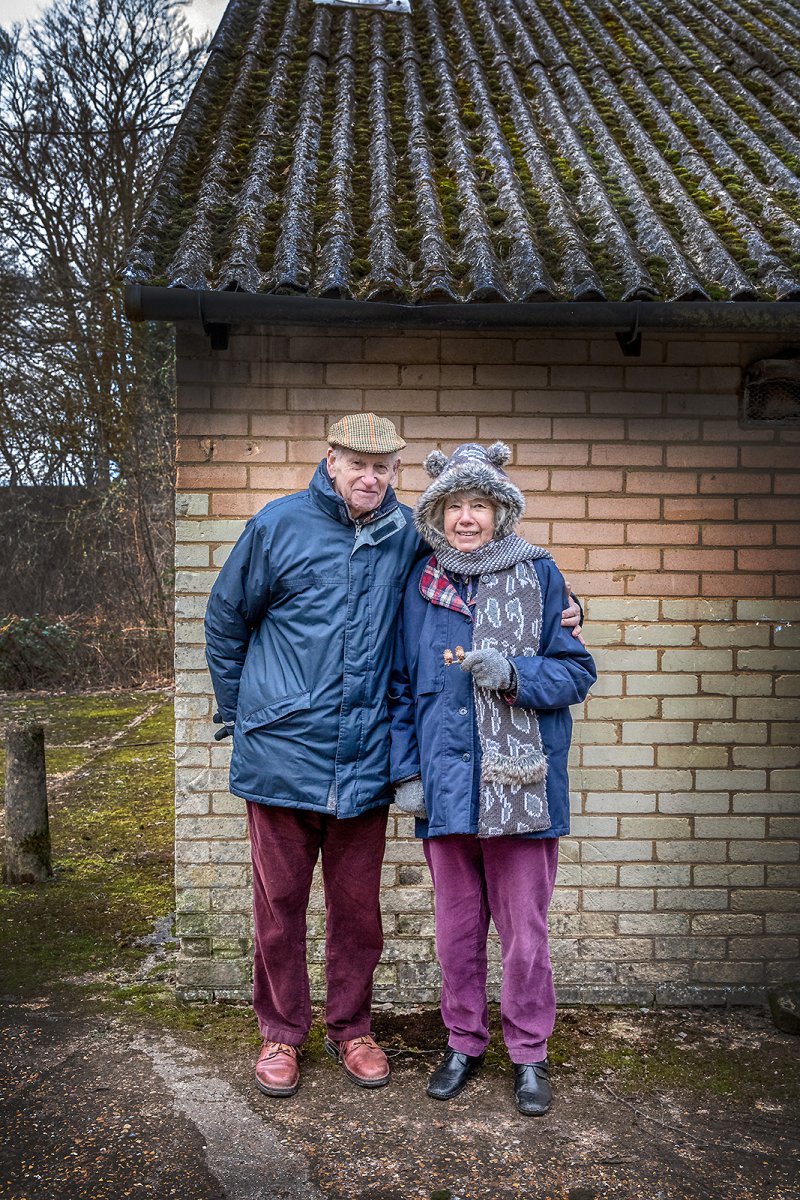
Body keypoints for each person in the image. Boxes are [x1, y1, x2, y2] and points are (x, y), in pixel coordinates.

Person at [204, 415, 584, 1099]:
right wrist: (241, 710)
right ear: (331, 460)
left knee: (357, 916)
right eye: (357, 463)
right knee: (279, 910)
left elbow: (492, 578)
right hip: (281, 755)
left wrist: (564, 607)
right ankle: (281, 1036)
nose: (369, 477)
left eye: (382, 467)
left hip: (364, 763)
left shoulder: (410, 536)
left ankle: (351, 1030)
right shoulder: (279, 525)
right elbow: (226, 618)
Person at [388, 441, 596, 1116]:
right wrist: (407, 774)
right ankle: (464, 1041)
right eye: (455, 505)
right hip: (446, 792)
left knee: (525, 936)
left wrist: (515, 675)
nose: (467, 518)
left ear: (501, 512)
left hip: (522, 789)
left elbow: (576, 672)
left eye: (480, 504)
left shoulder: (540, 576)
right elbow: (398, 689)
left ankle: (529, 1054)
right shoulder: (419, 585)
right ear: (437, 513)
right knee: (455, 932)